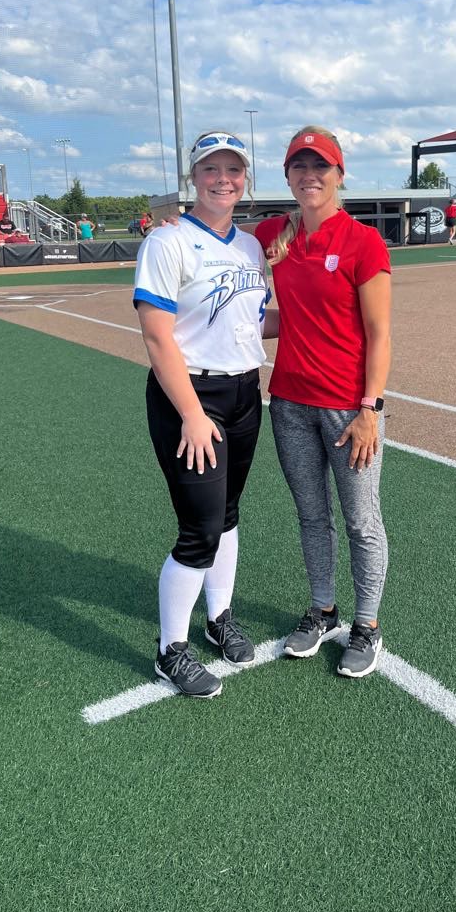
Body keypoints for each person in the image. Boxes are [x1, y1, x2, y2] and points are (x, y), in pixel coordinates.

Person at [133, 131, 275, 699]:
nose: (223, 179)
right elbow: (156, 335)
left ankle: (219, 619)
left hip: (244, 393)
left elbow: (252, 322)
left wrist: (328, 319)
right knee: (198, 531)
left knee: (230, 513)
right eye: (211, 169)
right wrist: (191, 414)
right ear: (193, 177)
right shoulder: (166, 243)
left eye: (233, 170)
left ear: (246, 178)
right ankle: (171, 651)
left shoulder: (249, 247)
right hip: (189, 399)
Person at [254, 126, 392, 679]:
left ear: (339, 175)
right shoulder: (274, 234)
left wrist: (370, 409)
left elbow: (379, 333)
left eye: (321, 167)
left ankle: (367, 624)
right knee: (311, 516)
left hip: (347, 410)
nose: (310, 176)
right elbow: (216, 233)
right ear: (287, 175)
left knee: (361, 521)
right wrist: (177, 224)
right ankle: (322, 609)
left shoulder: (363, 242)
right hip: (288, 403)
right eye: (299, 166)